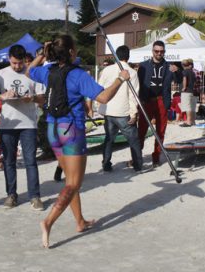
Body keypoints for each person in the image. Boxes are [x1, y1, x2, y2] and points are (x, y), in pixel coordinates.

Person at [27, 35, 130, 248]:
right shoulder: (78, 75)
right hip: (71, 130)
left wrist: (41, 54)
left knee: (70, 181)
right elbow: (103, 98)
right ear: (72, 52)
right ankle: (48, 222)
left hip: (53, 129)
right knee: (74, 183)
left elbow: (29, 71)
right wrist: (121, 79)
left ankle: (80, 221)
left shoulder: (48, 70)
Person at [0, 44, 46, 210]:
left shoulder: (33, 72)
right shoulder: (1, 74)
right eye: (14, 63)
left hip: (29, 125)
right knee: (9, 161)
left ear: (25, 60)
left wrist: (31, 99)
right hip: (8, 124)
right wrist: (2, 96)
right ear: (9, 60)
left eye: (20, 63)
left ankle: (35, 196)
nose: (17, 67)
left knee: (30, 161)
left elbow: (42, 98)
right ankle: (11, 194)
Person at [97, 45, 144, 172]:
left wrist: (98, 107)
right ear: (128, 57)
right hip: (123, 111)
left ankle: (106, 164)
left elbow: (99, 88)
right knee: (133, 140)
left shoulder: (106, 70)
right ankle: (138, 165)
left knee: (109, 139)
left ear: (116, 56)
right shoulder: (132, 72)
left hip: (108, 110)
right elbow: (134, 95)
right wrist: (134, 113)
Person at [136, 40, 182, 167]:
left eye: (161, 51)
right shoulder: (144, 66)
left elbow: (179, 80)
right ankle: (137, 157)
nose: (159, 53)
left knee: (160, 131)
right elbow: (137, 84)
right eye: (156, 51)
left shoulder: (169, 66)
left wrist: (177, 71)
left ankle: (156, 157)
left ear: (164, 52)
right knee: (141, 130)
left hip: (162, 100)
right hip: (146, 101)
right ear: (152, 51)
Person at [180, 58, 196, 126]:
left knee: (187, 107)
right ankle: (192, 121)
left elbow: (184, 79)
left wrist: (184, 87)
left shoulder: (185, 72)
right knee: (192, 107)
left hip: (186, 91)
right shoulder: (192, 72)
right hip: (192, 90)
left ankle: (188, 121)